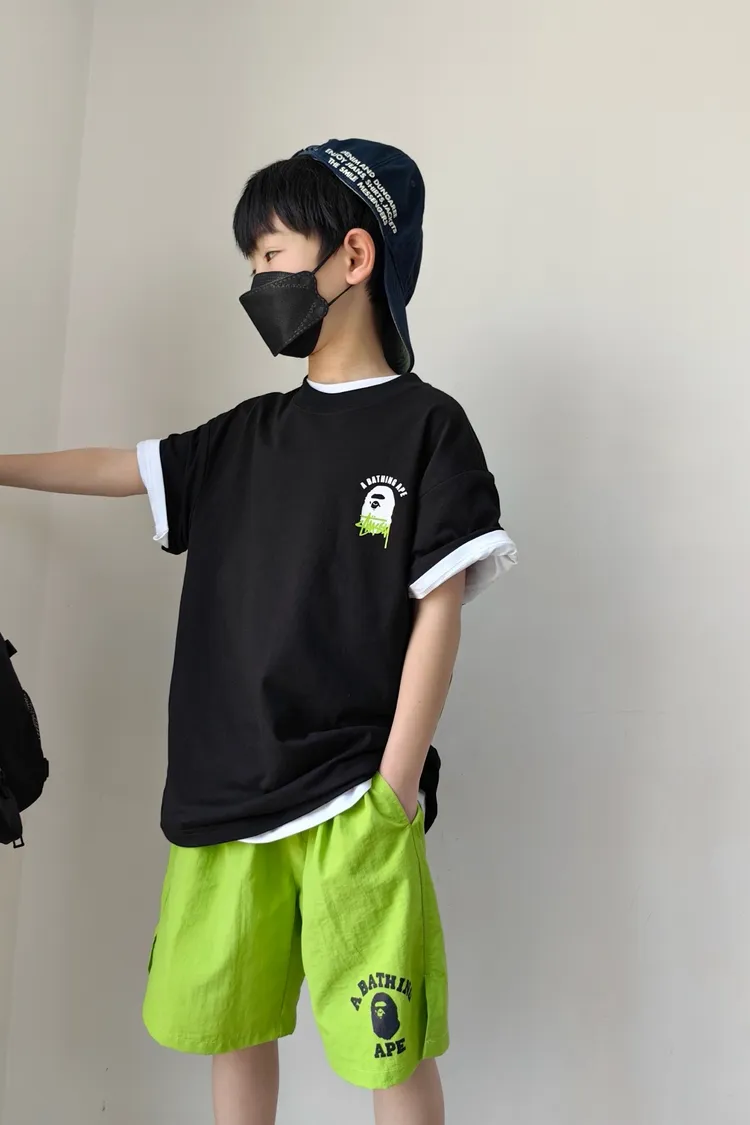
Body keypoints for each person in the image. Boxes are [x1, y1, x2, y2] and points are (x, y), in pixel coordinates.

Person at [0, 138, 517, 1125]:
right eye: (253, 262)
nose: (258, 283)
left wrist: (395, 785)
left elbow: (439, 610)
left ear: (353, 255)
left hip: (354, 795)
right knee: (232, 1028)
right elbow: (118, 467)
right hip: (224, 791)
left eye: (272, 255)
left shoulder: (427, 428)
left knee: (388, 1047)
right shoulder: (246, 434)